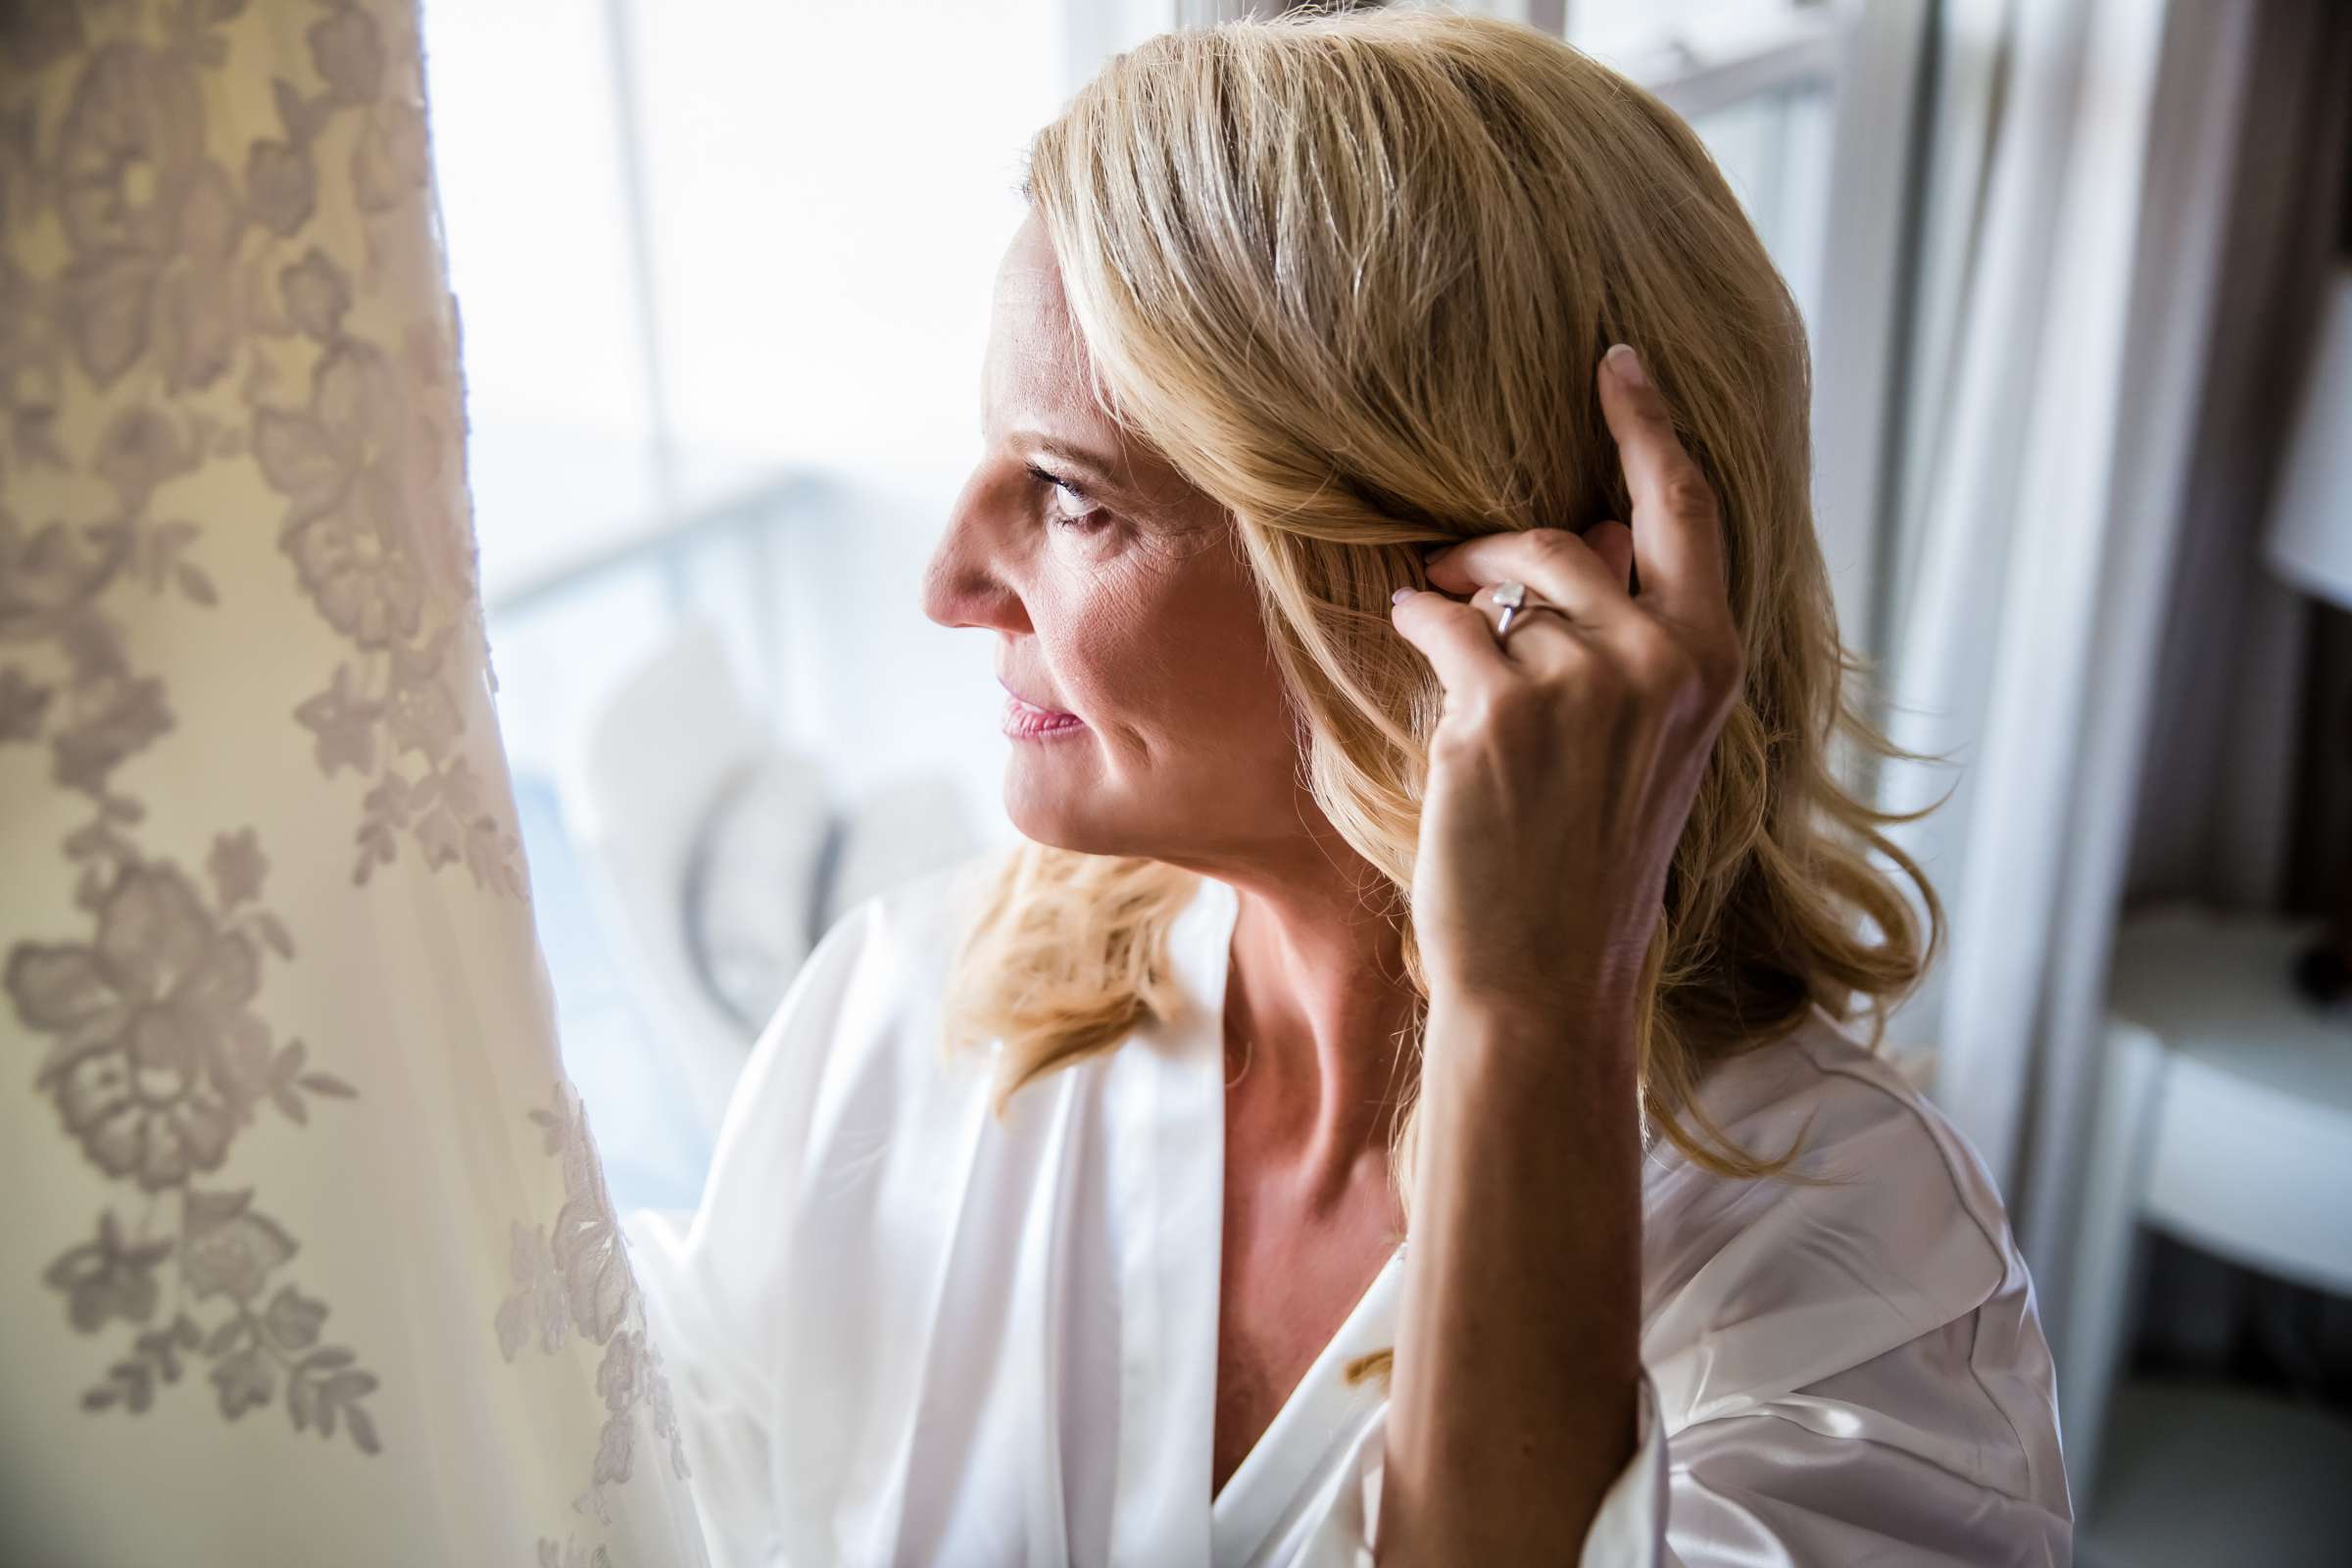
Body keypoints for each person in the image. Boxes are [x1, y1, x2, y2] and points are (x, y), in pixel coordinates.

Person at [620, 10, 2074, 1564]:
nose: (950, 583)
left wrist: (1529, 1019)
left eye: (1067, 494)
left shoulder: (1843, 1276)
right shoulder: (906, 1017)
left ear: (1494, 592)